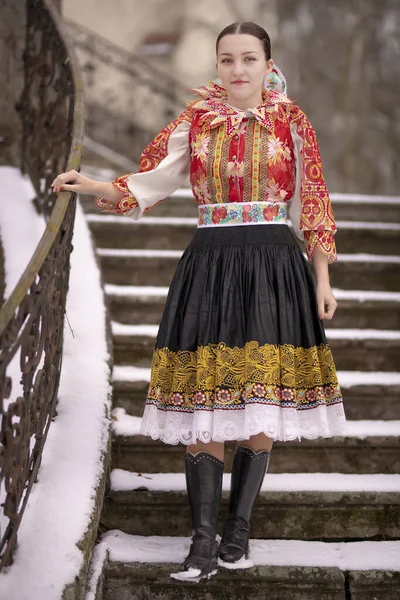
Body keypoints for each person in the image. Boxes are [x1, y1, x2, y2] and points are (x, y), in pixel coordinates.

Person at [52, 21, 347, 583]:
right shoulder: (196, 123)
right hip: (210, 261)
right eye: (227, 59)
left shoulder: (292, 120)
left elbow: (314, 199)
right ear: (217, 65)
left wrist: (322, 279)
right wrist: (91, 186)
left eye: (248, 59)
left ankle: (238, 530)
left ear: (267, 63)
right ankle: (202, 541)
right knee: (207, 396)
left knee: (263, 390)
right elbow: (149, 182)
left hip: (273, 263)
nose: (237, 69)